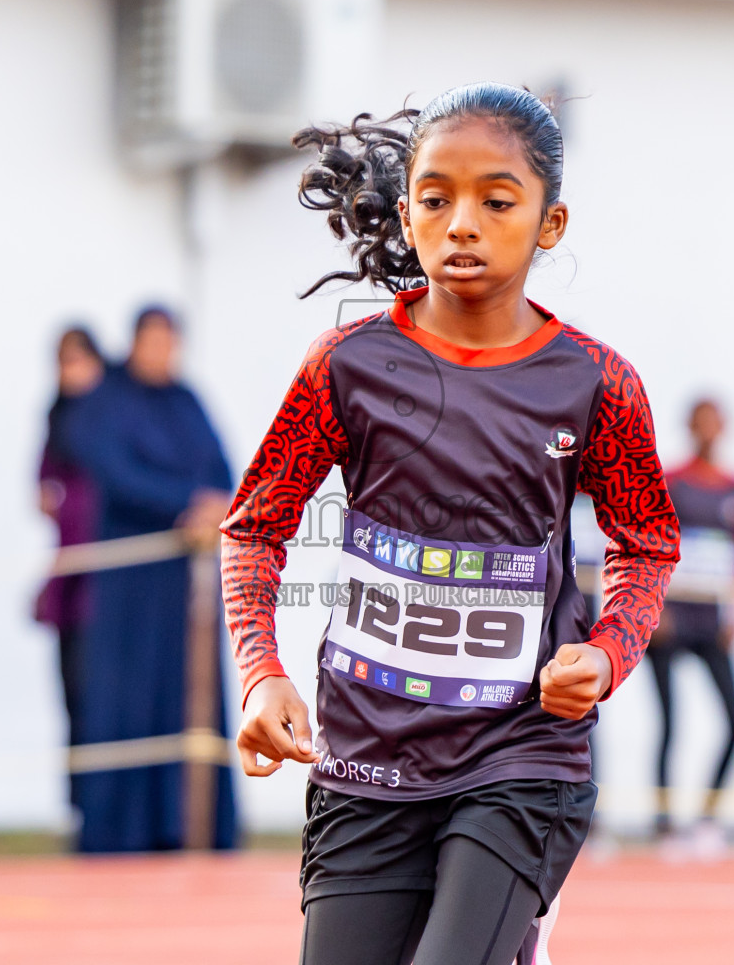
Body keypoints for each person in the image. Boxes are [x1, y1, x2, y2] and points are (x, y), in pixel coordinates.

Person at [221, 83, 680, 965]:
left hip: (521, 755)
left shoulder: (594, 383)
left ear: (549, 224)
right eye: (437, 200)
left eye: (496, 202)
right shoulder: (347, 367)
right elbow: (255, 528)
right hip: (368, 757)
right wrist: (260, 674)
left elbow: (646, 542)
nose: (463, 222)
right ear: (408, 211)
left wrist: (608, 652)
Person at [60, 305, 238, 853]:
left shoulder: (186, 401)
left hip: (182, 587)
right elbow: (115, 471)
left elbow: (221, 471)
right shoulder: (106, 404)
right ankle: (119, 830)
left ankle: (189, 825)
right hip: (127, 586)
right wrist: (183, 502)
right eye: (153, 341)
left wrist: (210, 506)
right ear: (135, 343)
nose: (162, 352)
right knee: (125, 700)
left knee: (187, 698)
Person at [649, 397, 734, 855]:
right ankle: (665, 822)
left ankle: (708, 817)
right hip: (671, 619)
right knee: (671, 723)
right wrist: (655, 608)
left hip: (712, 621)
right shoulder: (673, 481)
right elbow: (650, 540)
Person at [33, 326, 105, 804]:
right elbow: (40, 488)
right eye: (64, 362)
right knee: (73, 692)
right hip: (72, 579)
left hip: (111, 577)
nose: (72, 372)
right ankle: (79, 803)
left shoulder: (115, 418)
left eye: (80, 360)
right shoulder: (57, 420)